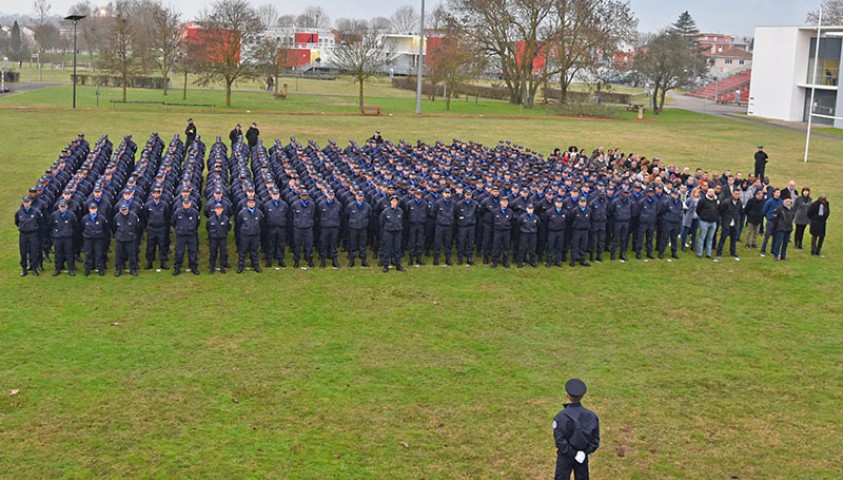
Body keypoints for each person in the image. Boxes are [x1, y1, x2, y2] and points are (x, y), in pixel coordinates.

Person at [552, 378, 600, 480]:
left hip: (565, 457)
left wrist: (573, 453)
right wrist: (584, 452)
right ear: (582, 396)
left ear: (567, 395)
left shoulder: (561, 417)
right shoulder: (592, 416)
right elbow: (595, 440)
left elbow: (560, 440)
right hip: (582, 455)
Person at [16, 196, 44, 276]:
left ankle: (34, 268)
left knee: (34, 251)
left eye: (27, 202)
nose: (26, 204)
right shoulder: (19, 212)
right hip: (23, 234)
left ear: (30, 202)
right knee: (23, 252)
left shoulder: (36, 211)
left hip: (33, 234)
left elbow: (40, 222)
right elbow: (17, 222)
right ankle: (24, 269)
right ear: (23, 202)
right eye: (25, 202)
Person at [172, 197, 200, 275]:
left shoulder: (194, 212)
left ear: (190, 203)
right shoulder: (177, 212)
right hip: (181, 235)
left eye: (188, 203)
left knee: (193, 252)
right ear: (182, 203)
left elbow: (197, 222)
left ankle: (194, 267)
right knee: (179, 252)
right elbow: (173, 222)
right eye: (185, 203)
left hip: (191, 235)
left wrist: (192, 229)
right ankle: (177, 268)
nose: (186, 205)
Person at [144, 187, 170, 269]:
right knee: (150, 246)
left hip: (161, 228)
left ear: (160, 194)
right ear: (152, 194)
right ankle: (149, 262)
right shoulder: (148, 204)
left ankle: (163, 262)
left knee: (162, 245)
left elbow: (167, 216)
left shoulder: (164, 205)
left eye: (157, 193)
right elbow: (146, 216)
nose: (156, 195)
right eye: (154, 193)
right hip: (152, 228)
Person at [235, 197, 263, 273]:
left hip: (255, 235)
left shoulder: (259, 213)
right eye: (250, 202)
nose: (251, 204)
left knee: (255, 251)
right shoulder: (242, 213)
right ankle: (241, 265)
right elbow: (238, 223)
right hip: (245, 235)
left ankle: (256, 265)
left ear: (255, 203)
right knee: (243, 251)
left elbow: (262, 223)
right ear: (247, 203)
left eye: (252, 202)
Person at [50, 200, 77, 276]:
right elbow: (51, 225)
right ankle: (57, 269)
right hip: (57, 238)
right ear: (58, 206)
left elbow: (75, 225)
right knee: (58, 254)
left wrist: (70, 232)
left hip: (68, 238)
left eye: (64, 207)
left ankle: (71, 269)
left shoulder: (71, 215)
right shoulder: (54, 215)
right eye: (61, 207)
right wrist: (54, 235)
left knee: (69, 253)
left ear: (67, 207)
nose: (62, 208)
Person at [263, 188, 289, 268]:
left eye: (276, 194)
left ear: (279, 195)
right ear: (271, 195)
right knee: (270, 244)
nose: (275, 196)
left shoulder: (284, 205)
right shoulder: (267, 205)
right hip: (271, 228)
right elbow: (264, 217)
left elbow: (287, 215)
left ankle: (280, 260)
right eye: (274, 194)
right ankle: (269, 260)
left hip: (281, 228)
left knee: (281, 244)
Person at [112, 202, 140, 276]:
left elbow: (137, 227)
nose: (124, 211)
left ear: (128, 209)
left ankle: (133, 269)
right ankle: (118, 269)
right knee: (118, 255)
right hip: (119, 239)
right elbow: (114, 227)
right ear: (120, 210)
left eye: (125, 209)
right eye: (123, 210)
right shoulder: (116, 217)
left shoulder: (134, 216)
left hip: (130, 239)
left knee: (132, 255)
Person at [317, 189, 343, 268]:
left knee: (334, 244)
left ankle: (334, 260)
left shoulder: (338, 205)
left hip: (334, 227)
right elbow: (318, 215)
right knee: (323, 244)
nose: (331, 196)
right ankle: (323, 260)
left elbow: (341, 215)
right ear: (326, 195)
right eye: (329, 194)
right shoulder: (321, 204)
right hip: (324, 227)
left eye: (332, 195)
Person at [346, 191, 372, 267]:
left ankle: (363, 260)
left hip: (363, 229)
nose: (360, 197)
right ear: (356, 196)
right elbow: (346, 216)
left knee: (363, 246)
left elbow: (370, 217)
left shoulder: (368, 206)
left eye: (361, 196)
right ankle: (351, 261)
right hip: (353, 228)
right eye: (359, 196)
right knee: (352, 245)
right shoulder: (350, 206)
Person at [81, 202, 108, 276]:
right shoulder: (85, 218)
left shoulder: (101, 218)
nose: (93, 210)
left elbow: (105, 228)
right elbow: (82, 227)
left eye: (94, 209)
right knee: (88, 254)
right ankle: (87, 269)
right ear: (89, 209)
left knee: (99, 254)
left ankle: (100, 269)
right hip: (88, 239)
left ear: (97, 209)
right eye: (91, 209)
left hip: (98, 239)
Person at [379, 195, 405, 272]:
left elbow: (402, 221)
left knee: (397, 249)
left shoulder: (400, 211)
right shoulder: (386, 211)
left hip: (397, 231)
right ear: (390, 202)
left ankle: (398, 265)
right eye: (393, 201)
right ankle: (386, 265)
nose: (394, 202)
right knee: (387, 249)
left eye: (396, 201)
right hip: (388, 231)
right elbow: (382, 222)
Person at [291, 190, 316, 269]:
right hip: (298, 228)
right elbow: (291, 215)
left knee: (309, 245)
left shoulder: (312, 205)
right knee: (297, 245)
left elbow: (314, 215)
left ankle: (310, 260)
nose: (304, 197)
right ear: (300, 196)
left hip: (308, 228)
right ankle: (296, 261)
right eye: (303, 195)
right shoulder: (295, 204)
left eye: (306, 195)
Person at [716, 189, 742, 260]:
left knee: (733, 239)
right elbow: (721, 211)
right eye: (735, 193)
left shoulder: (739, 203)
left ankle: (733, 252)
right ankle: (719, 252)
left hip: (735, 223)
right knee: (723, 238)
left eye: (738, 194)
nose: (737, 195)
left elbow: (740, 211)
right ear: (732, 194)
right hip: (726, 223)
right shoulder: (726, 202)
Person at [433, 188, 456, 266]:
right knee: (437, 242)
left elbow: (455, 213)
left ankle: (448, 259)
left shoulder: (453, 203)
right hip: (440, 226)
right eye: (446, 193)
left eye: (448, 193)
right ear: (443, 194)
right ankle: (436, 259)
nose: (447, 194)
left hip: (449, 226)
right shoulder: (438, 203)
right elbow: (434, 213)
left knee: (448, 243)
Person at [206, 203, 231, 274]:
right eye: (217, 209)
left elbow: (229, 227)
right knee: (213, 253)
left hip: (222, 238)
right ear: (215, 210)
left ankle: (222, 267)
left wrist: (224, 233)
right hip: (214, 238)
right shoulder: (210, 219)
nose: (219, 210)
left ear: (222, 209)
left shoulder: (226, 219)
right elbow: (208, 227)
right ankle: (212, 268)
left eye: (220, 209)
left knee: (223, 252)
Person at [658, 189, 683, 259]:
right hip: (667, 222)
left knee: (674, 238)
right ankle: (661, 252)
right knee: (664, 238)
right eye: (674, 194)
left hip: (676, 222)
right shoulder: (666, 202)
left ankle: (674, 252)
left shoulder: (680, 202)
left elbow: (680, 211)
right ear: (671, 194)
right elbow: (661, 211)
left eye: (677, 194)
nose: (676, 196)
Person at [695, 187, 720, 259]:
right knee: (702, 237)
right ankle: (699, 253)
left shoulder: (716, 201)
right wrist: (703, 216)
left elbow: (718, 209)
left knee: (710, 238)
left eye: (713, 192)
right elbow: (698, 210)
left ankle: (708, 254)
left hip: (713, 222)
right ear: (707, 192)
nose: (711, 193)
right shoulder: (702, 200)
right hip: (704, 221)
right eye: (710, 192)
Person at [455, 189, 478, 265]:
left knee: (471, 243)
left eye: (470, 194)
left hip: (471, 226)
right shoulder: (459, 204)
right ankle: (460, 259)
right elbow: (456, 214)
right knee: (461, 242)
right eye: (467, 194)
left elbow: (477, 213)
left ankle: (469, 258)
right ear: (464, 195)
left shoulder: (475, 203)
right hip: (462, 226)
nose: (468, 196)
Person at [490, 196, 513, 268]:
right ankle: (494, 261)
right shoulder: (495, 211)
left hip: (507, 231)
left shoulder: (510, 211)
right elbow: (491, 221)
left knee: (506, 247)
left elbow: (512, 221)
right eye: (503, 201)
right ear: (500, 202)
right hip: (497, 231)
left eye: (506, 201)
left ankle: (505, 261)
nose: (505, 203)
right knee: (496, 247)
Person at [569, 196, 592, 267]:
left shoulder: (589, 210)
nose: (583, 203)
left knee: (583, 246)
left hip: (585, 230)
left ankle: (582, 260)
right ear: (579, 202)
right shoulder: (575, 210)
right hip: (576, 230)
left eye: (584, 202)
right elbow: (570, 219)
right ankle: (573, 261)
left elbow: (591, 219)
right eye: (581, 202)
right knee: (575, 246)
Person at [546, 197, 568, 266]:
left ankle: (558, 261)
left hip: (561, 231)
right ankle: (549, 261)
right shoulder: (549, 212)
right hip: (552, 232)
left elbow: (567, 221)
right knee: (550, 247)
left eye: (561, 203)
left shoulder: (565, 212)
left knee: (559, 247)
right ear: (555, 203)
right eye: (558, 202)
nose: (559, 204)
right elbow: (546, 221)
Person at [760, 189, 782, 257]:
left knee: (775, 236)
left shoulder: (781, 201)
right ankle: (763, 250)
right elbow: (764, 211)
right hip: (770, 221)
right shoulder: (769, 201)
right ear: (773, 193)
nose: (778, 194)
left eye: (779, 192)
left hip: (777, 221)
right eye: (777, 192)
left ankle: (773, 250)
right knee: (767, 236)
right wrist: (768, 217)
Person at [517, 203, 539, 267]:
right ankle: (520, 262)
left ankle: (532, 262)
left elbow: (538, 224)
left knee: (532, 248)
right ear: (526, 209)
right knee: (522, 248)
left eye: (531, 209)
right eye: (529, 209)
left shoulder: (536, 217)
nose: (530, 210)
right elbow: (519, 223)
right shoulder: (522, 217)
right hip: (524, 234)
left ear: (533, 209)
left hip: (533, 234)